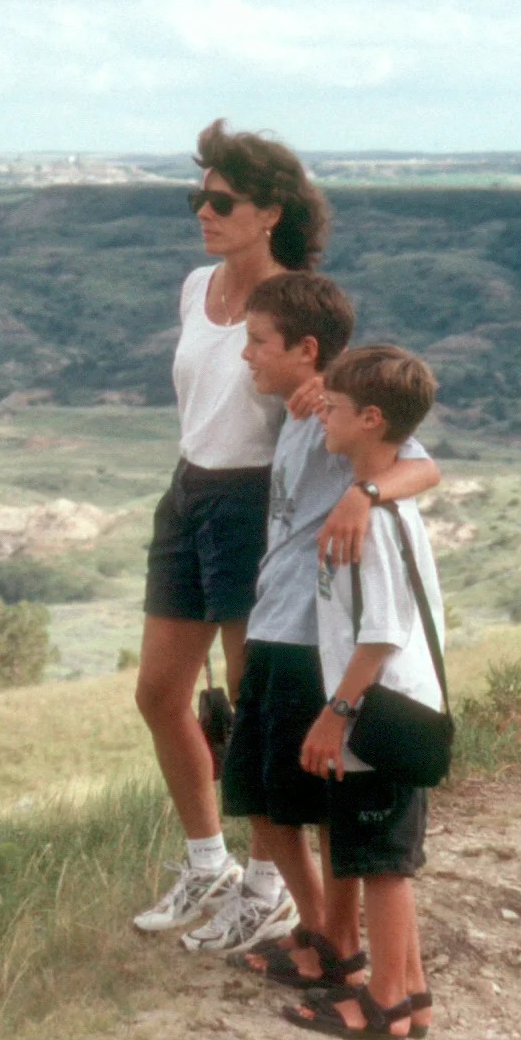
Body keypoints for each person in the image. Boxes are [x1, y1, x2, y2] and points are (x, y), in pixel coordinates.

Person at [189, 274, 441, 960]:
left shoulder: (340, 414)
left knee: (318, 800)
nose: (246, 354)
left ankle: (338, 942)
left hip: (310, 637)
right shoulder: (302, 412)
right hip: (272, 624)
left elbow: (423, 468)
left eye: (257, 341)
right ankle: (321, 926)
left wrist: (362, 495)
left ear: (305, 349)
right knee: (259, 794)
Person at [133, 121, 333, 934]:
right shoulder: (196, 287)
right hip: (188, 490)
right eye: (198, 197)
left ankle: (266, 884)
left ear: (270, 212)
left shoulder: (294, 304)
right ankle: (206, 862)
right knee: (158, 693)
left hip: (254, 502)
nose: (203, 212)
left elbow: (335, 396)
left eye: (221, 201)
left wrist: (323, 397)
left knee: (254, 709)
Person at [284, 345, 445, 1040]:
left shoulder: (373, 522)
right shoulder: (387, 507)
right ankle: (411, 993)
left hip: (377, 712)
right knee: (387, 857)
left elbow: (379, 633)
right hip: (398, 709)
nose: (323, 415)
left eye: (336, 407)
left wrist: (334, 714)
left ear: (371, 418)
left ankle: (381, 1005)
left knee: (381, 865)